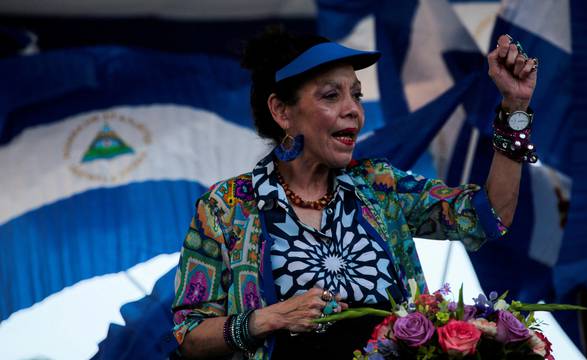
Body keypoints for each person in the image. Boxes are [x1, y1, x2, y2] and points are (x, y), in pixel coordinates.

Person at [171, 27, 538, 359]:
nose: (354, 111)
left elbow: (488, 215)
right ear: (282, 111)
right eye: (332, 96)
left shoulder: (380, 186)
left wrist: (515, 108)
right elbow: (190, 336)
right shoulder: (226, 206)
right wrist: (265, 319)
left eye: (357, 96)